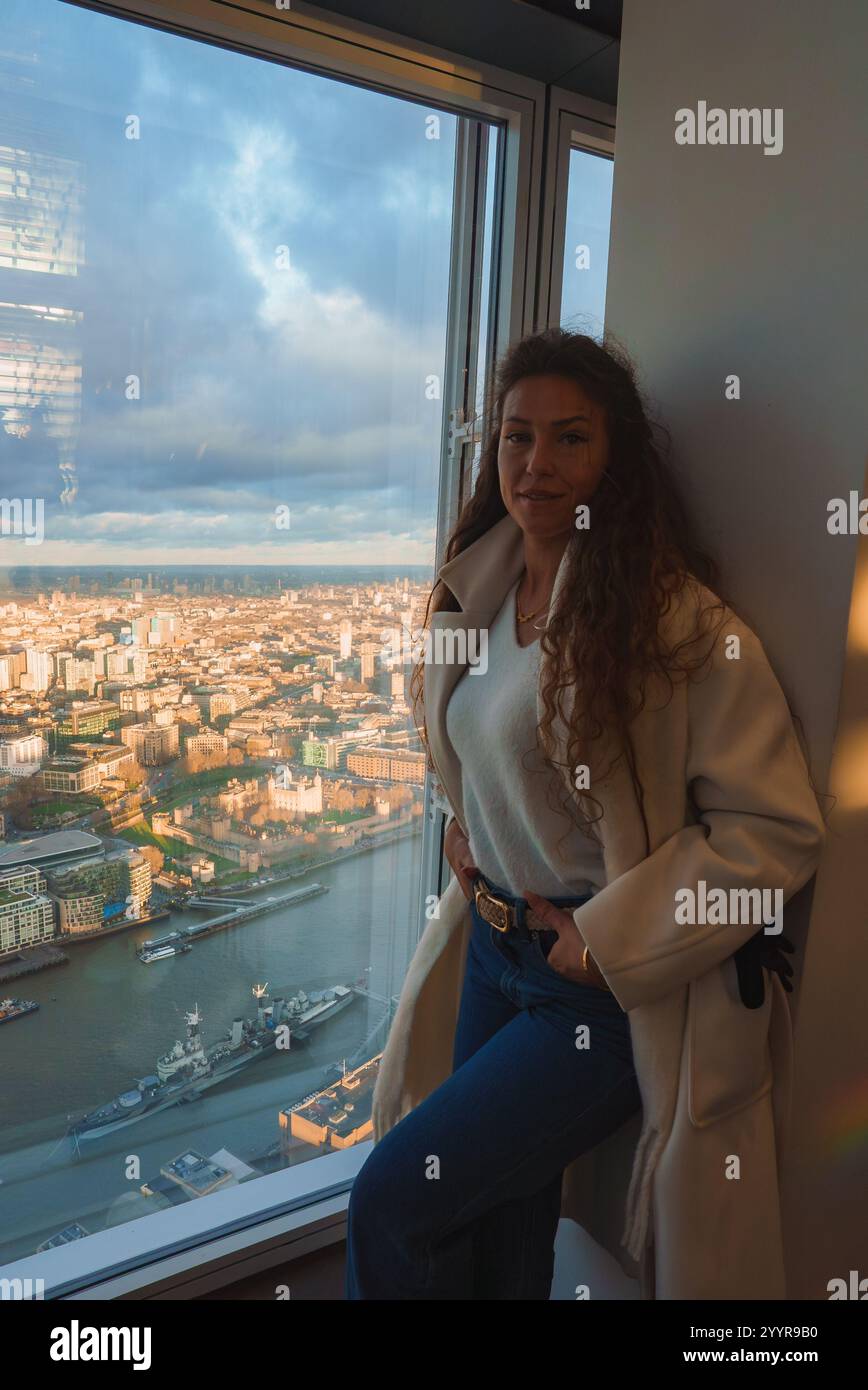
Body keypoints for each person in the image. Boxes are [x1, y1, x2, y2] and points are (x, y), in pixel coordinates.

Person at [345, 327, 826, 1300]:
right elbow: (489, 747)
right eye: (517, 437)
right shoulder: (478, 592)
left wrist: (606, 941)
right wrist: (470, 822)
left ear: (614, 459)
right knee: (497, 1216)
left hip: (593, 988)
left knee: (392, 1200)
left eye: (570, 439)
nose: (537, 464)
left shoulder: (673, 627)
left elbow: (773, 832)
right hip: (494, 951)